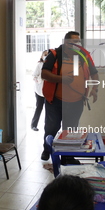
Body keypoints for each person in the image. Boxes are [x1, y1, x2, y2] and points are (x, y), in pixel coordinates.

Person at [41, 31, 99, 161]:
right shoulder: (54, 55)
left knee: (71, 131)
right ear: (66, 43)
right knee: (51, 127)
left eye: (78, 42)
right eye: (74, 42)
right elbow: (44, 74)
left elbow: (94, 74)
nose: (77, 45)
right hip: (55, 101)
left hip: (76, 102)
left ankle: (67, 156)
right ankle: (47, 150)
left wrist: (95, 89)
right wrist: (61, 79)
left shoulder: (84, 56)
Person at [31, 50, 48, 131]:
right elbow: (34, 76)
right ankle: (34, 125)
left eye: (48, 55)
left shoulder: (51, 65)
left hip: (48, 91)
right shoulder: (39, 65)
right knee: (39, 108)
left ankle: (47, 126)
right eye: (44, 55)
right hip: (39, 91)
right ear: (41, 56)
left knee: (49, 110)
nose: (46, 56)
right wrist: (40, 78)